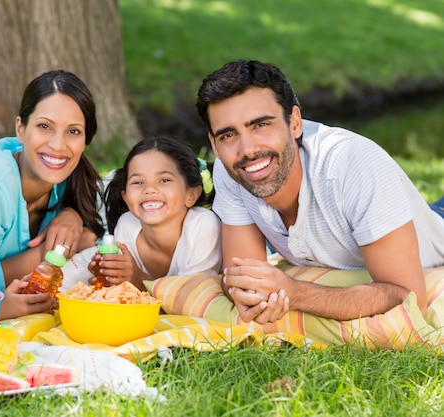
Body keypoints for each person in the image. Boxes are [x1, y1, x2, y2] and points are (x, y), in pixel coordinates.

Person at [195, 59, 444, 325]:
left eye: (261, 125)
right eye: (228, 135)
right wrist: (248, 293)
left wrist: (295, 292)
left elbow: (408, 297)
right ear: (214, 143)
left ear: (295, 123)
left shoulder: (353, 164)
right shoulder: (231, 169)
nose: (247, 149)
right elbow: (244, 277)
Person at [0, 70, 105, 320]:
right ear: (20, 128)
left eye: (73, 131)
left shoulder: (67, 177)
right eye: (44, 126)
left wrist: (72, 215)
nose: (58, 145)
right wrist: (52, 253)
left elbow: (94, 232)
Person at [89, 136, 222, 291]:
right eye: (138, 182)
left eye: (164, 180)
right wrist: (108, 274)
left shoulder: (203, 226)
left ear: (191, 194)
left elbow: (192, 297)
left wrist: (137, 278)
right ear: (125, 197)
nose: (149, 189)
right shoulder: (127, 225)